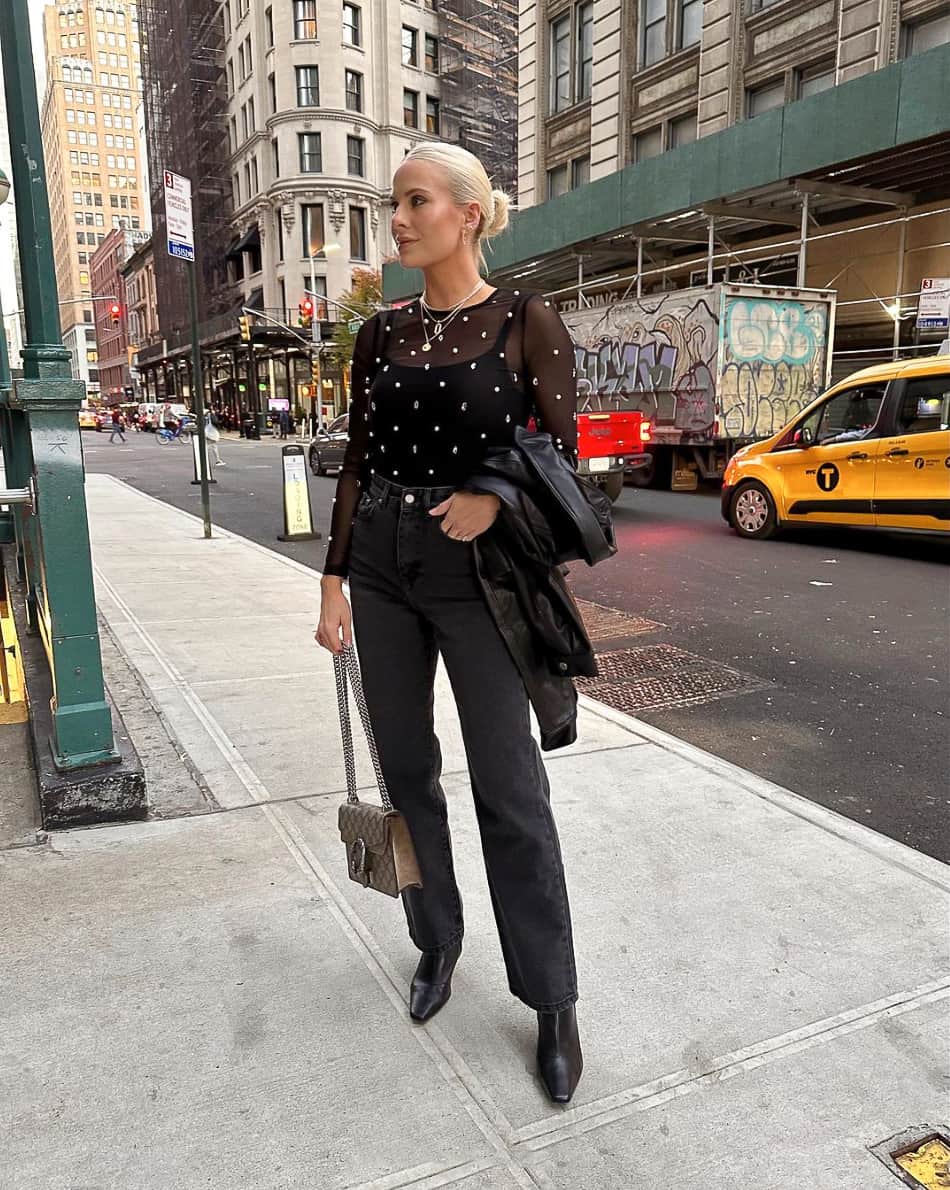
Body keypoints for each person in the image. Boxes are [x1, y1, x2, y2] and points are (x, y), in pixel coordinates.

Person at [315, 143, 585, 1104]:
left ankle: (552, 999)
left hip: (478, 573)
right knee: (407, 771)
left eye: (414, 203)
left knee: (509, 789)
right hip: (385, 563)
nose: (397, 221)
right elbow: (353, 461)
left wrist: (491, 499)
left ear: (468, 213)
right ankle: (437, 939)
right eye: (394, 205)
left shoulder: (524, 319)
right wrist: (333, 580)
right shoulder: (380, 334)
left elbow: (563, 454)